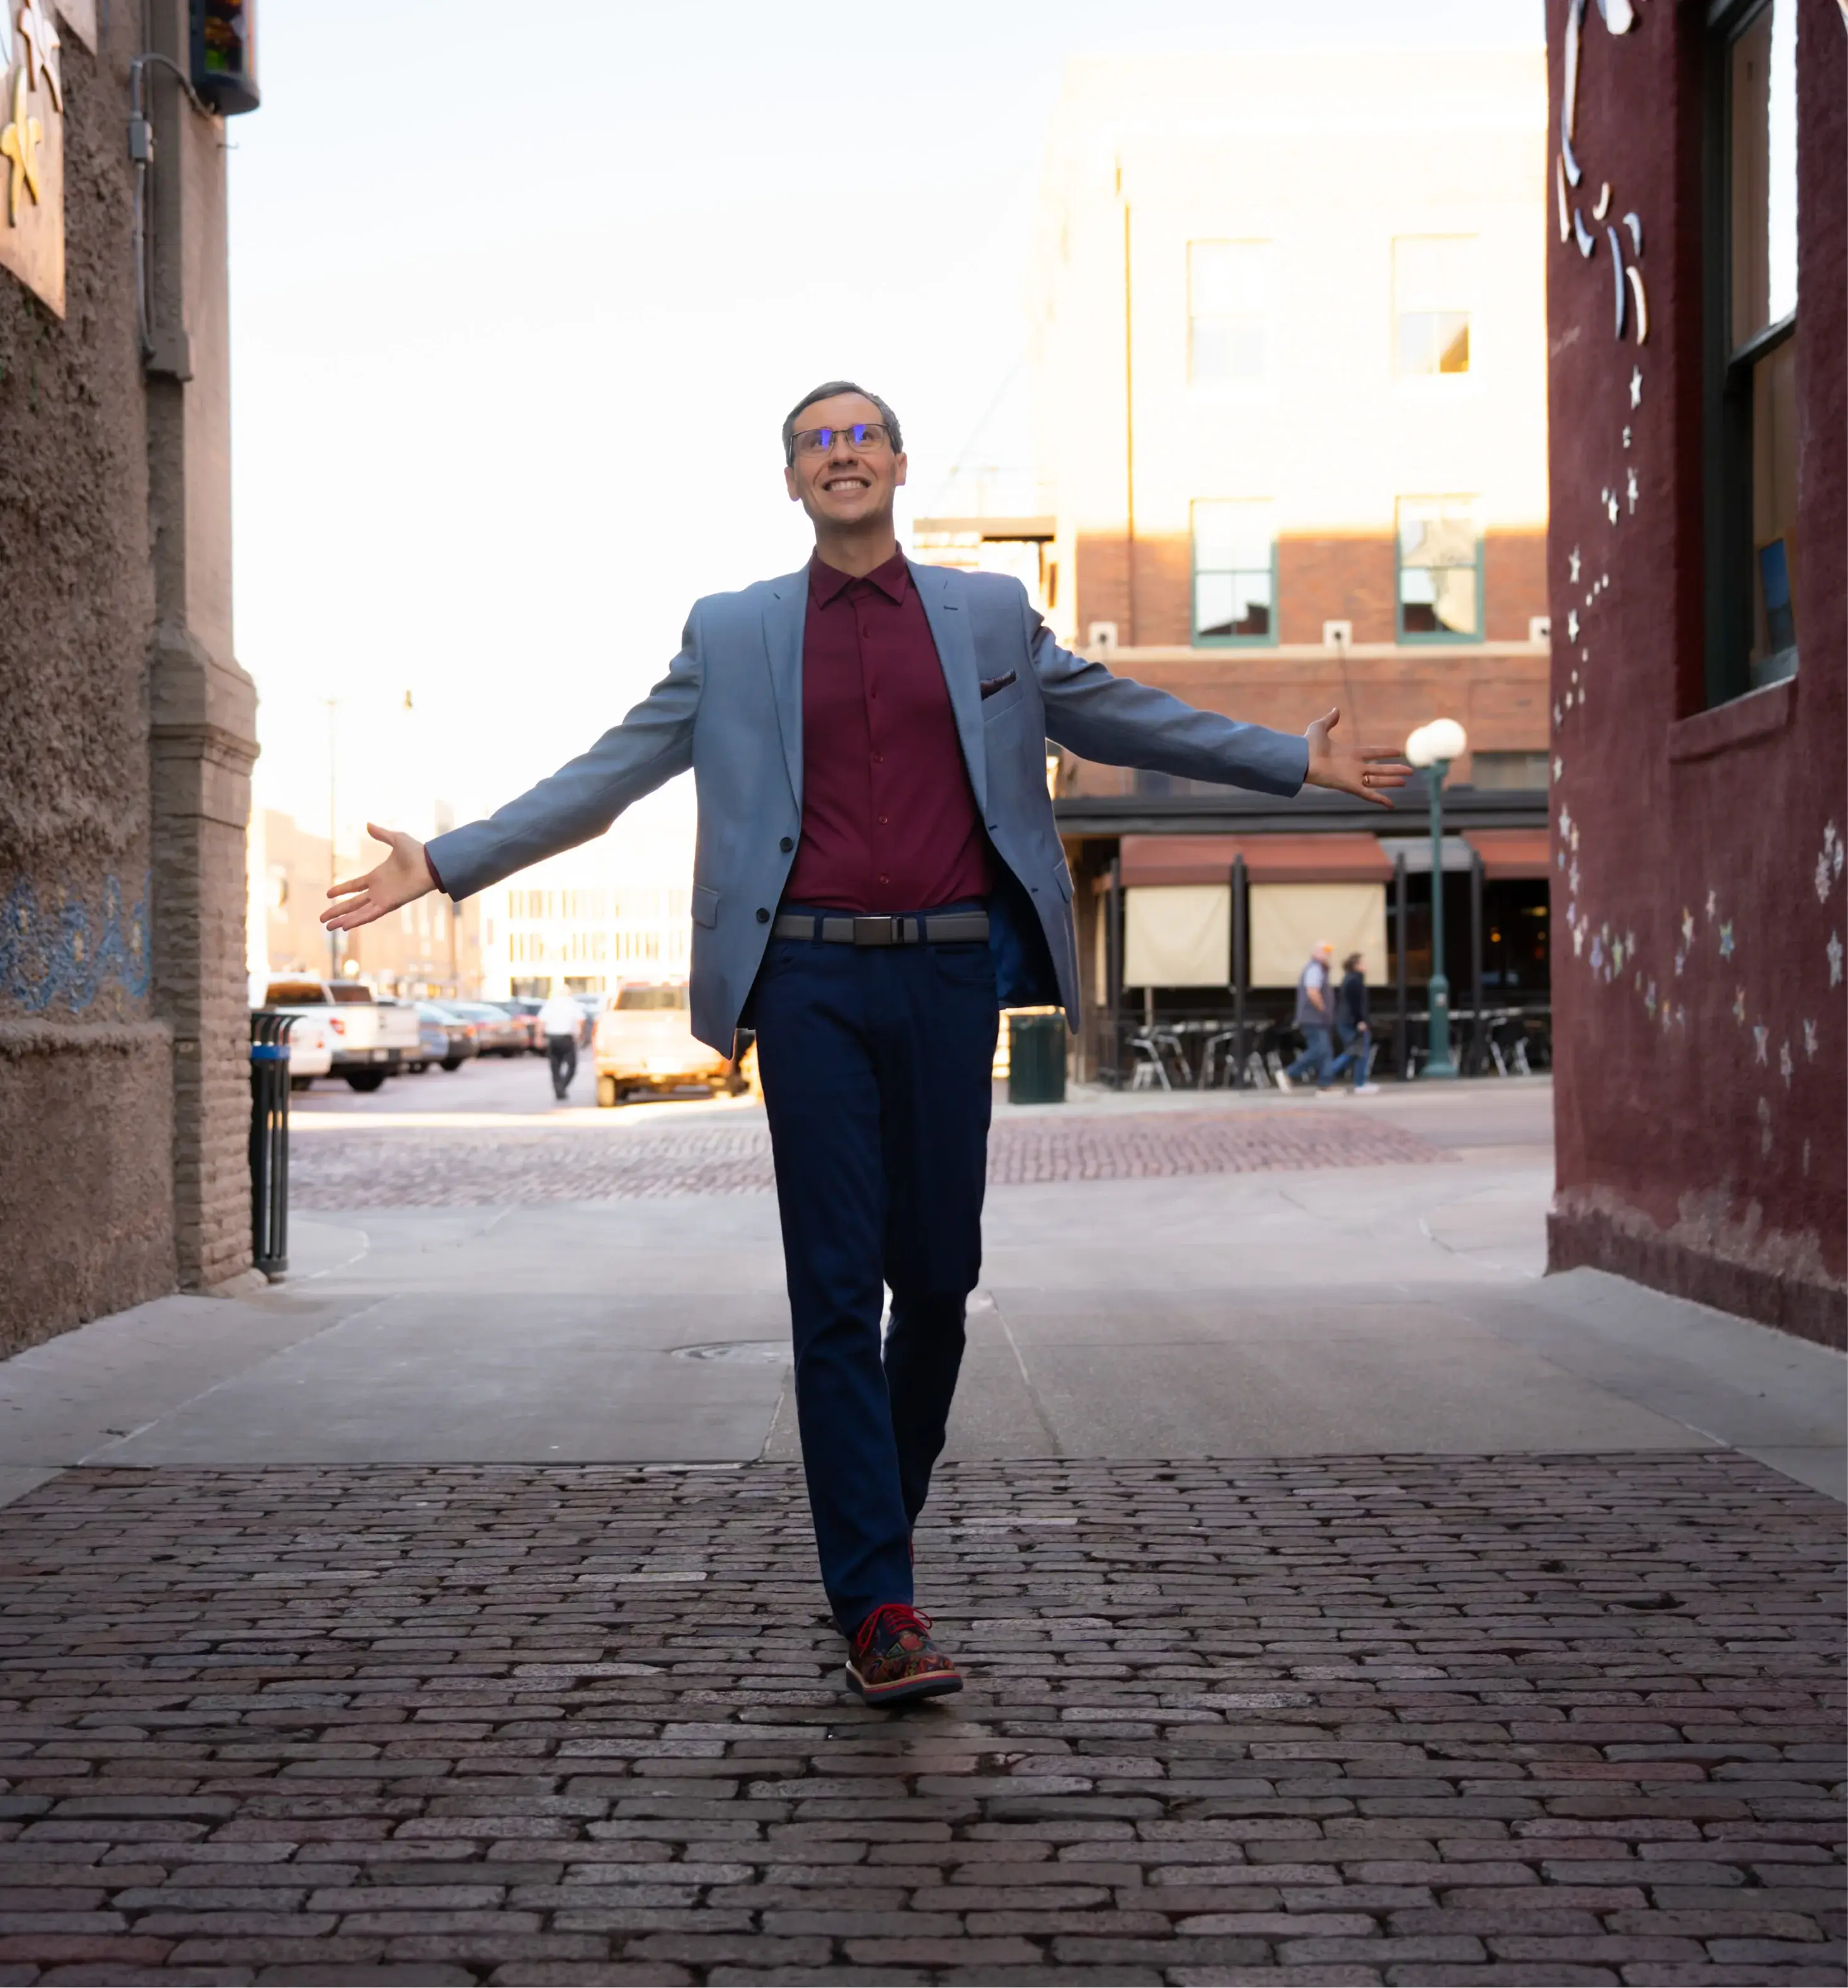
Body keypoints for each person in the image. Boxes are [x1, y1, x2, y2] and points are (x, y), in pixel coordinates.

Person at [321, 381, 1408, 1705]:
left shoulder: (985, 615)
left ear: (897, 464)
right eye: (813, 442)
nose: (840, 454)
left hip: (950, 975)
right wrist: (445, 860)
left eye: (860, 436)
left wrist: (1285, 759)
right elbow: (606, 775)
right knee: (835, 1288)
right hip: (810, 985)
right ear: (789, 482)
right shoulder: (732, 633)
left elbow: (1112, 712)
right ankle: (877, 1597)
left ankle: (870, 1518)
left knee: (938, 1279)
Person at [1277, 941, 1338, 1091]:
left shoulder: (1320, 969)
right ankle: (1289, 1073)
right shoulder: (1315, 969)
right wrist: (1323, 1008)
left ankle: (1326, 1083)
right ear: (1315, 953)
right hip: (1314, 1018)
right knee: (1320, 1049)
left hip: (1317, 1019)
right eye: (1325, 951)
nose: (1327, 955)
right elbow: (1312, 991)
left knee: (1325, 1050)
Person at [1326, 951, 1379, 1093]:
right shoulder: (1355, 981)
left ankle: (1359, 1082)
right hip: (1351, 1022)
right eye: (1363, 963)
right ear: (1357, 965)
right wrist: (1360, 1021)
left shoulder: (1350, 979)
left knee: (1357, 1051)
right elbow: (1356, 1004)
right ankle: (1356, 1082)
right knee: (1357, 1051)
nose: (1366, 965)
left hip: (1347, 1021)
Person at [537, 988, 584, 1100]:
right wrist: (580, 1034)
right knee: (572, 1066)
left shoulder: (550, 1004)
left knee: (555, 1066)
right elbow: (581, 1020)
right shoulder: (572, 1004)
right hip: (567, 1038)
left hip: (553, 1038)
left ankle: (559, 1088)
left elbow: (540, 1021)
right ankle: (562, 1086)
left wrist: (538, 1037)